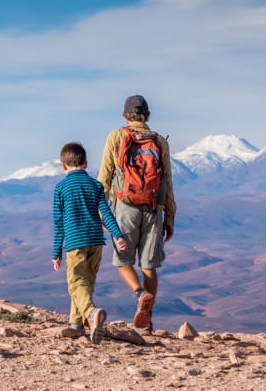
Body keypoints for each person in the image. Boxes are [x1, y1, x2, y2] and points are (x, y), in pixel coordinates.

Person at [98, 94, 176, 334]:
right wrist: (169, 216)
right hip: (153, 209)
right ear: (148, 116)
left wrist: (101, 212)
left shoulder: (116, 136)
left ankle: (140, 293)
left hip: (124, 207)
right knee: (149, 267)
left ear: (125, 115)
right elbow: (167, 182)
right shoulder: (160, 141)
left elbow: (104, 177)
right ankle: (148, 321)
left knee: (122, 261)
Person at [52, 142, 127, 345]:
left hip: (75, 242)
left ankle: (92, 314)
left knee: (76, 283)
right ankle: (76, 324)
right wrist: (117, 235)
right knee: (87, 283)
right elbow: (107, 213)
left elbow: (58, 223)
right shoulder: (96, 185)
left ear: (63, 165)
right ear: (85, 163)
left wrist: (56, 252)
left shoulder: (60, 188)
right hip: (96, 241)